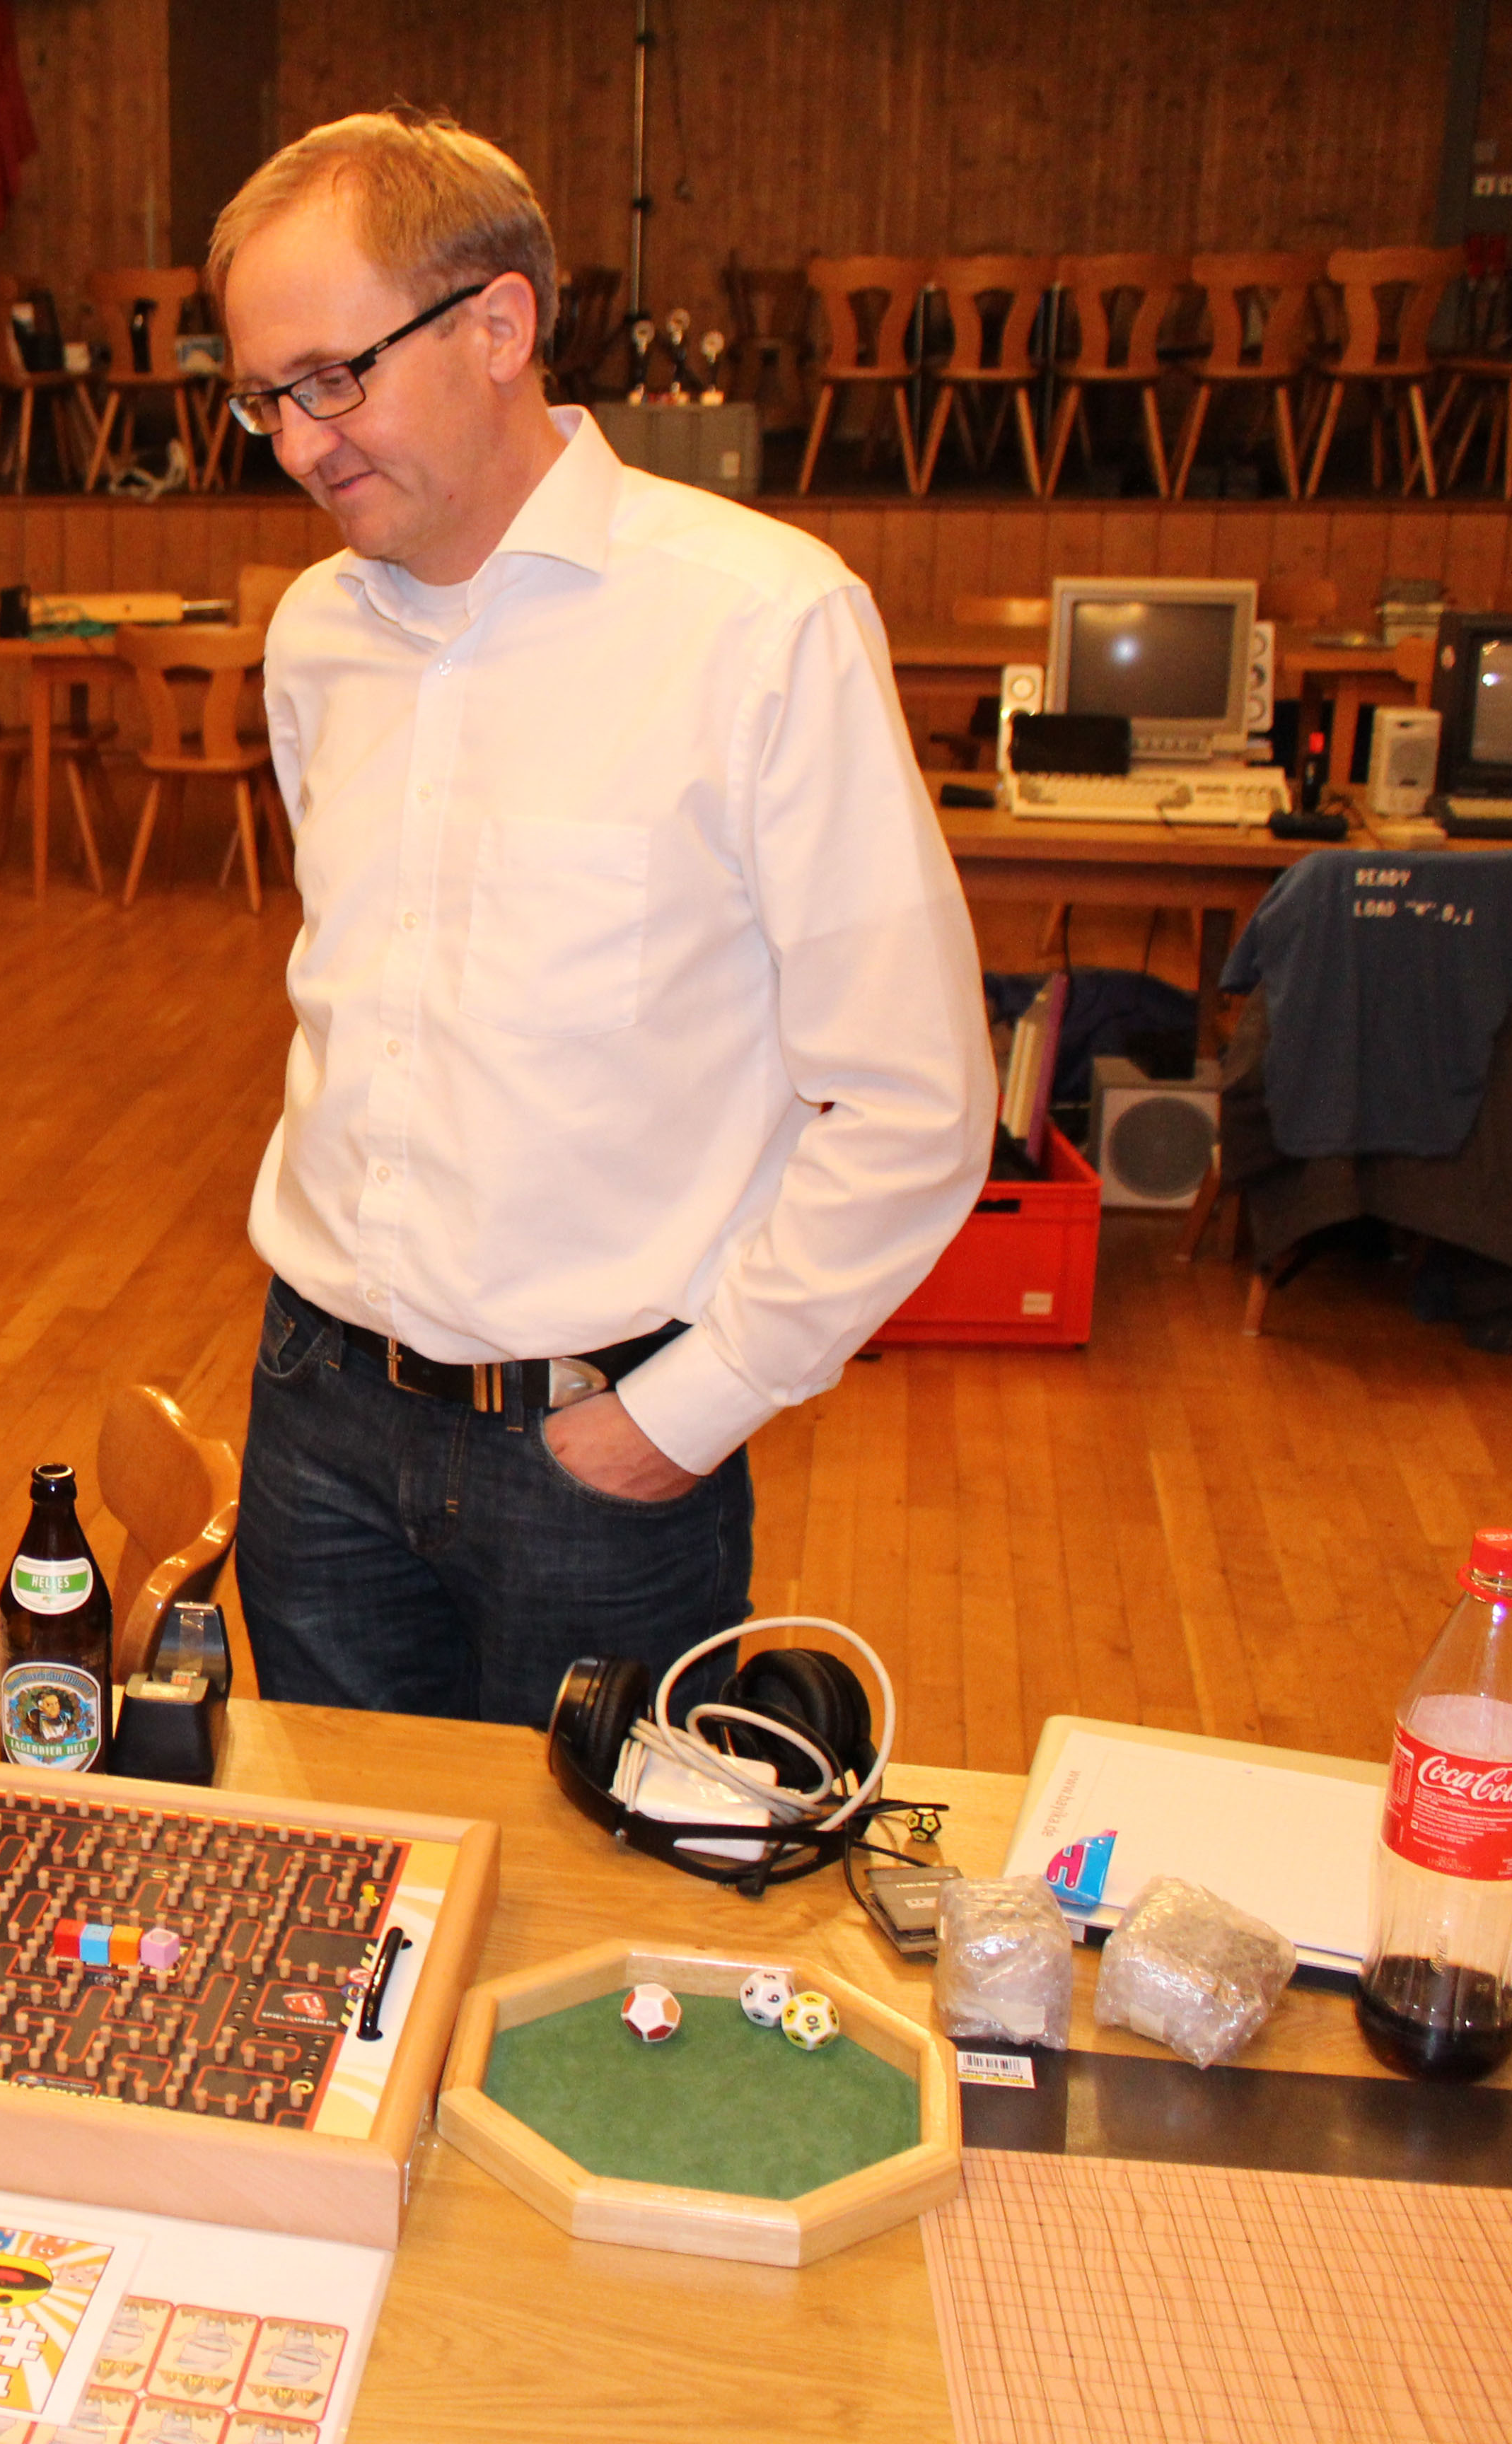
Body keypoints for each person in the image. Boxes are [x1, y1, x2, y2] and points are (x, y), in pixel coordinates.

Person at [211, 112, 991, 1725]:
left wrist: (687, 1412)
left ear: (499, 325)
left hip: (599, 1452)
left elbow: (915, 1100)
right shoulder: (313, 637)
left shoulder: (760, 624)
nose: (296, 444)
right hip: (315, 1411)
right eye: (262, 398)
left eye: (332, 380)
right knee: (340, 1864)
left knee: (584, 1888)